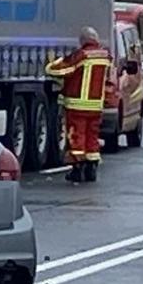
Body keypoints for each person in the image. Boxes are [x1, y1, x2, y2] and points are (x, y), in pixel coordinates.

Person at [47, 26, 113, 183]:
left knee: (77, 136)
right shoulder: (105, 56)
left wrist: (52, 63)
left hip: (78, 105)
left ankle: (78, 169)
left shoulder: (82, 55)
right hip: (96, 106)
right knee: (92, 137)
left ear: (83, 41)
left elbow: (62, 71)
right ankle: (91, 168)